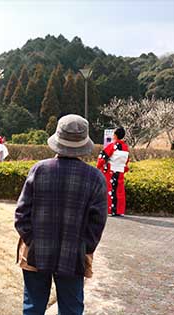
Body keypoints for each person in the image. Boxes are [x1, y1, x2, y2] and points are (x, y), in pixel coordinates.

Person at [15, 114, 107, 315]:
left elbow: (21, 214)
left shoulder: (39, 170)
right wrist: (83, 247)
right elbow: (97, 223)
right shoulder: (95, 178)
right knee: (71, 309)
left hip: (36, 252)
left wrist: (33, 240)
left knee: (33, 307)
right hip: (73, 255)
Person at [97, 127, 130, 216]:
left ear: (115, 135)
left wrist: (99, 166)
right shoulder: (125, 147)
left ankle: (110, 210)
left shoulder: (112, 146)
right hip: (120, 171)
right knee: (119, 191)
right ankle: (119, 210)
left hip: (111, 171)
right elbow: (126, 161)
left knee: (110, 190)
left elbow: (103, 158)